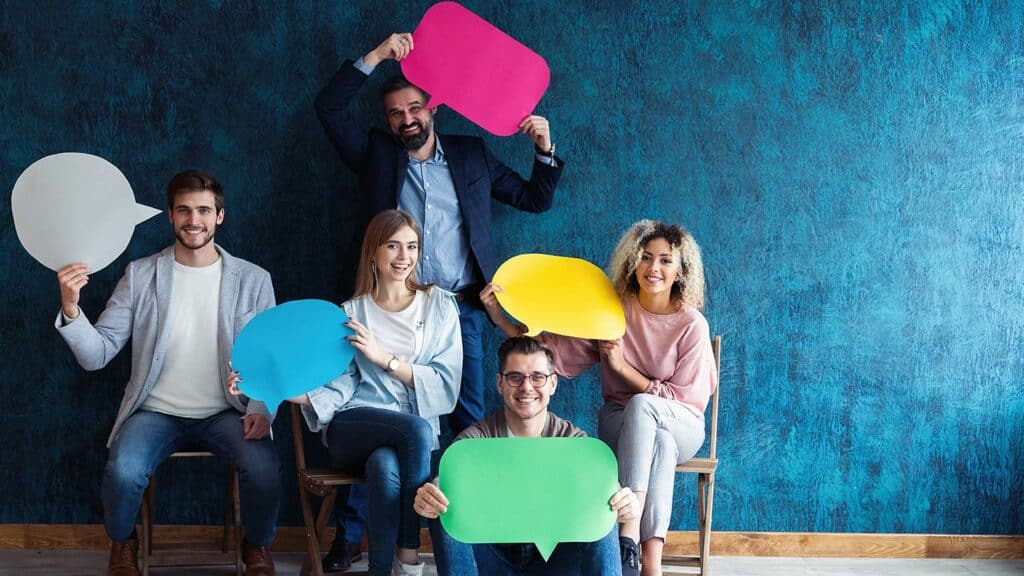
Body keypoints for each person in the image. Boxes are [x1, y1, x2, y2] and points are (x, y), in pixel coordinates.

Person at [314, 32, 565, 569]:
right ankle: (350, 536)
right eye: (394, 112)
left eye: (413, 107)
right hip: (389, 305)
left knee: (472, 418)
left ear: (433, 106)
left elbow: (534, 198)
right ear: (386, 121)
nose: (405, 118)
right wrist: (377, 56)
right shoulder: (377, 155)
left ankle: (496, 530)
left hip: (462, 310)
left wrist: (544, 150)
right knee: (377, 409)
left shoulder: (472, 153)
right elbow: (329, 107)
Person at [55, 170, 281, 576]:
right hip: (155, 411)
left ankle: (257, 546)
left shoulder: (254, 280)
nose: (194, 220)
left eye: (203, 211)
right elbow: (98, 353)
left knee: (264, 469)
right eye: (184, 210)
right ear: (170, 217)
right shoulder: (140, 275)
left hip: (227, 412)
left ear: (220, 217)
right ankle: (123, 543)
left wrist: (262, 408)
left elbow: (269, 359)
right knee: (122, 473)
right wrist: (72, 309)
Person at [482, 220, 718, 576]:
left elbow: (686, 398)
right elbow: (548, 354)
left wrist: (622, 369)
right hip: (621, 426)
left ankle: (627, 536)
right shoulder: (612, 311)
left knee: (650, 413)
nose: (654, 268)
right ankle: (651, 563)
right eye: (646, 257)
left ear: (680, 270)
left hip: (683, 421)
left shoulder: (692, 325)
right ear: (632, 262)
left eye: (666, 260)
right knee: (660, 443)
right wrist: (499, 317)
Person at [232, 209, 461, 576]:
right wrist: (267, 387)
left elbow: (447, 383)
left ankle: (381, 570)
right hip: (355, 424)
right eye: (393, 246)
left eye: (412, 247)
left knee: (385, 467)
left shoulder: (439, 305)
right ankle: (409, 552)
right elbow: (339, 387)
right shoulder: (350, 314)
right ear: (374, 252)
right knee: (415, 430)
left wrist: (385, 359)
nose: (404, 257)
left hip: (406, 436)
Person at [413, 336, 640, 576]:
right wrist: (431, 495)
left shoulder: (573, 441)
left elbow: (605, 487)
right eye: (515, 377)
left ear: (552, 384)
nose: (527, 387)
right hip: (493, 557)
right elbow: (447, 480)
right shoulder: (476, 440)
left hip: (555, 559)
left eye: (538, 377)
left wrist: (623, 500)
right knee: (445, 508)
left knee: (600, 518)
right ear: (500, 383)